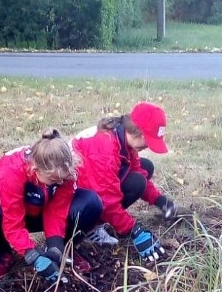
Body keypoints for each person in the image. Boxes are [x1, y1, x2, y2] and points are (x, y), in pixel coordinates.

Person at [0, 129, 102, 283]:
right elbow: (13, 223)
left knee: (91, 202)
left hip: (41, 208)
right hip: (6, 212)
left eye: (62, 179)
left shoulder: (64, 172)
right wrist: (31, 254)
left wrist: (56, 248)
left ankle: (66, 251)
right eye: (53, 179)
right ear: (35, 169)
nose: (59, 183)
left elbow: (57, 212)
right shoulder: (11, 172)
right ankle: (2, 255)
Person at [71, 102, 175, 263]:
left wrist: (160, 200)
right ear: (138, 133)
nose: (148, 146)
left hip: (91, 185)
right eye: (148, 141)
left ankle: (95, 224)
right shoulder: (104, 149)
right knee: (135, 182)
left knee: (143, 170)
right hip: (71, 202)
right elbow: (106, 199)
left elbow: (137, 171)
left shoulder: (122, 138)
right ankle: (86, 229)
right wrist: (135, 231)